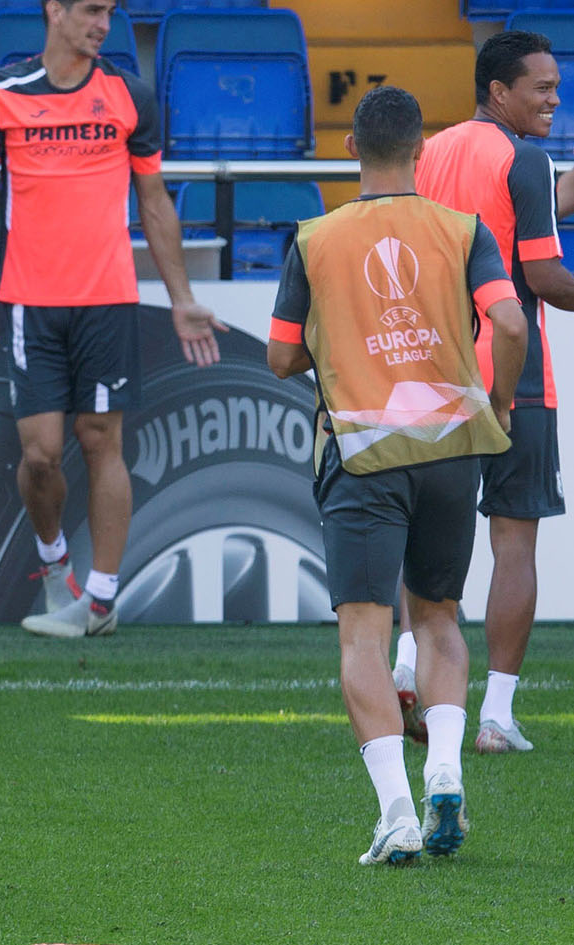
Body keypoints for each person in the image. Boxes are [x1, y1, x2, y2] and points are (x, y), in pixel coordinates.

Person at [268, 86, 526, 865]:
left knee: (364, 635)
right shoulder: (461, 228)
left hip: (362, 449)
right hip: (451, 445)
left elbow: (280, 355)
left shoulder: (314, 239)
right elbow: (509, 321)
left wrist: (340, 346)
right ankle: (444, 768)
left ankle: (396, 813)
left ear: (350, 147)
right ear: (421, 152)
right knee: (439, 616)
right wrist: (501, 400)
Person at [0, 0, 226, 638]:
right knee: (41, 454)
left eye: (109, 12)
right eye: (90, 10)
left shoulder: (129, 95)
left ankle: (100, 601)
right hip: (28, 301)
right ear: (54, 11)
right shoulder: (0, 92)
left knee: (103, 440)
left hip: (107, 299)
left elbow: (155, 202)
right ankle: (55, 567)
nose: (102, 23)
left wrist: (182, 296)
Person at [394, 30, 574, 752]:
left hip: (429, 373)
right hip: (511, 375)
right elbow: (542, 280)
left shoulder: (429, 151)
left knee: (427, 539)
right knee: (513, 543)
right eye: (540, 88)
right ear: (498, 91)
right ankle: (496, 715)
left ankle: (407, 662)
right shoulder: (525, 159)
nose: (553, 101)